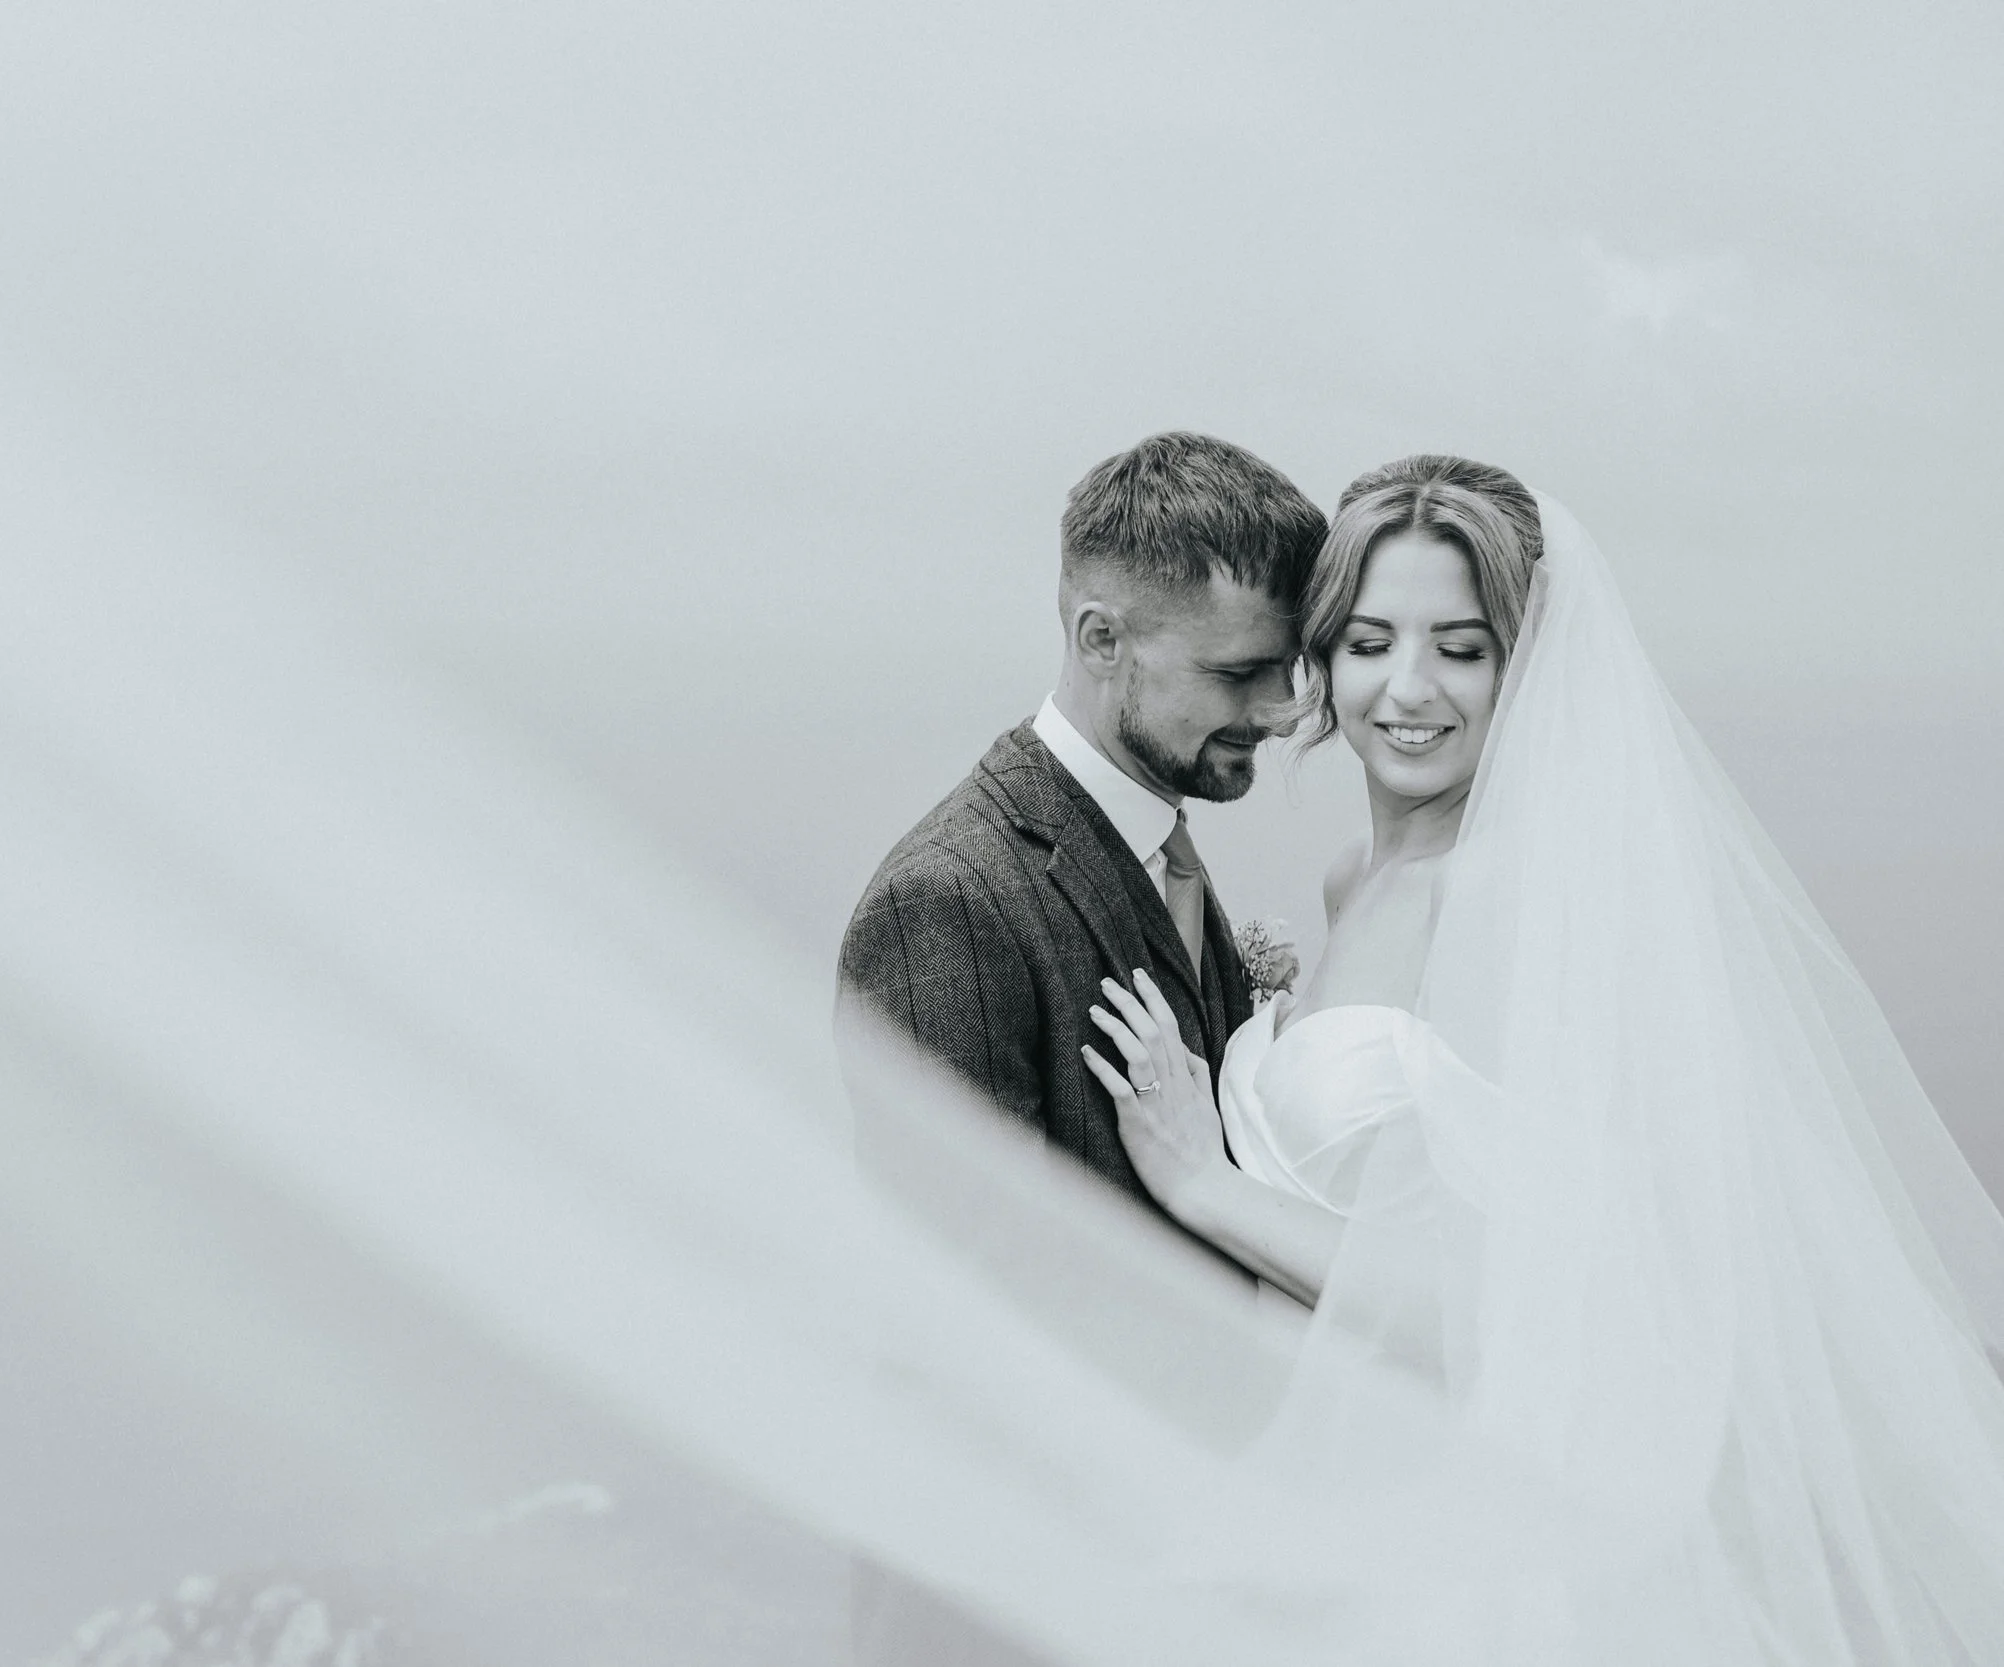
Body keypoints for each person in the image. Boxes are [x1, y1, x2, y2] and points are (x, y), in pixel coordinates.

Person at [1084, 455, 2004, 1661]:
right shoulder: (1357, 881)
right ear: (1317, 660)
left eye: (1461, 647)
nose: (1407, 688)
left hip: (1466, 1550)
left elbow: (1526, 1310)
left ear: (1529, 668)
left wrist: (1206, 1185)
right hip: (1338, 1511)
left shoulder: (1513, 902)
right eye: (1368, 640)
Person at [833, 431, 1322, 1667]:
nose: (1279, 711)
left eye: (1288, 669)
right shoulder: (946, 902)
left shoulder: (1155, 831)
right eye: (1240, 673)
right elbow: (971, 1335)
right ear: (1103, 640)